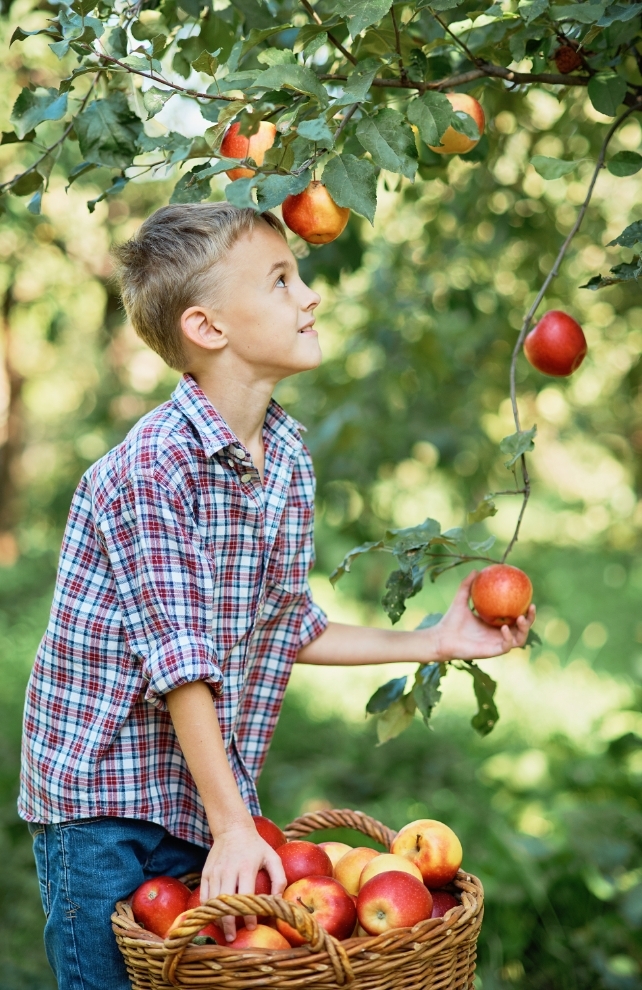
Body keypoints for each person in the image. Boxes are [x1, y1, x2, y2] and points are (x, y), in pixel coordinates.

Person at [19, 202, 535, 990]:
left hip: (198, 795)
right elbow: (181, 664)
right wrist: (233, 825)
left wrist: (435, 638)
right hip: (103, 806)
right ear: (210, 328)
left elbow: (286, 623)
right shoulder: (151, 470)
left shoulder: (287, 458)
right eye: (282, 280)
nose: (311, 296)